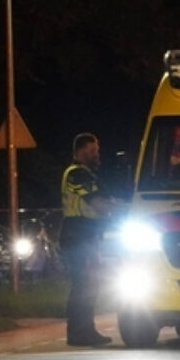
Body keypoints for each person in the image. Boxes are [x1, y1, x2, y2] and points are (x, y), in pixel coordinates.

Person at [60, 132, 125, 347]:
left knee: (88, 284)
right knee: (84, 284)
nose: (97, 154)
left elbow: (106, 200)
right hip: (78, 233)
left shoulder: (87, 173)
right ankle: (79, 332)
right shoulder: (77, 173)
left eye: (97, 150)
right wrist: (127, 210)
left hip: (85, 233)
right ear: (81, 151)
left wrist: (117, 205)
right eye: (93, 150)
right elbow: (98, 204)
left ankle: (84, 330)